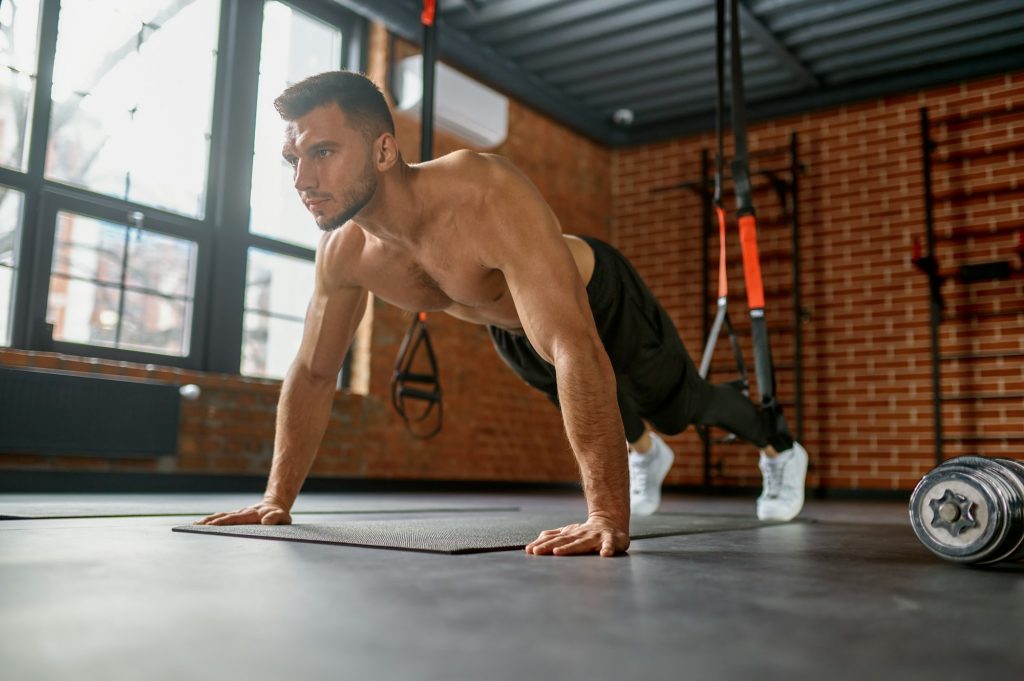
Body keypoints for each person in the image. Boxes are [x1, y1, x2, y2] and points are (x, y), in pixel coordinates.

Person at [196, 71, 808, 557]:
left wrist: (605, 518)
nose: (303, 178)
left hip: (596, 296)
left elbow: (576, 345)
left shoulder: (481, 192)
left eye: (323, 151)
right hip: (510, 329)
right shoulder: (347, 254)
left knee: (678, 406)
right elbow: (311, 374)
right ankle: (644, 453)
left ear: (383, 149)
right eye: (293, 159)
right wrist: (275, 500)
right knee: (607, 408)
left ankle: (779, 447)